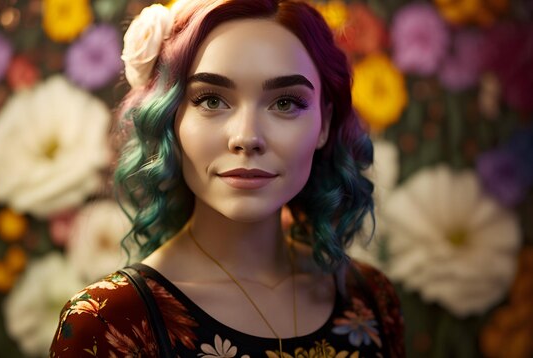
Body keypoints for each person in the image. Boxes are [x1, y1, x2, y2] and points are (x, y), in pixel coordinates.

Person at [50, 0, 404, 357]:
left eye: (284, 103)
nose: (247, 137)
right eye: (211, 100)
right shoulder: (109, 322)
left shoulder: (371, 299)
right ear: (171, 117)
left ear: (324, 124)